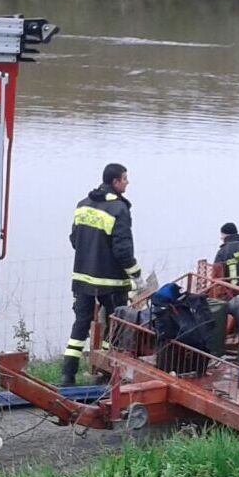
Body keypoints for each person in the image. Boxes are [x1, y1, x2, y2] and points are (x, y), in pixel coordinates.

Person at [63, 163, 141, 387]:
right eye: (125, 179)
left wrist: (90, 255)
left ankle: (68, 375)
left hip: (83, 277)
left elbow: (74, 240)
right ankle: (106, 371)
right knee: (115, 322)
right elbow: (122, 250)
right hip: (111, 281)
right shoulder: (119, 209)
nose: (127, 183)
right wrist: (136, 275)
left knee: (80, 324)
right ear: (115, 182)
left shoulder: (83, 205)